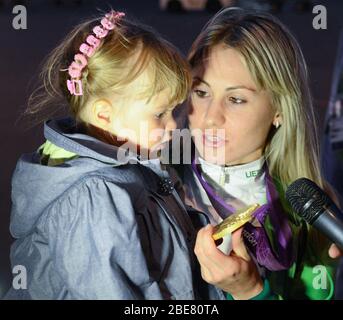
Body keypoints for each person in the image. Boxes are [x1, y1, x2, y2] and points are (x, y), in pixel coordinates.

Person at [5, 10, 223, 300]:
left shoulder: (133, 160)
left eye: (173, 111)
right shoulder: (94, 195)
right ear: (105, 115)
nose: (173, 126)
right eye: (160, 113)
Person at [176, 7, 342, 300]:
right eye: (201, 92)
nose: (210, 117)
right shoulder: (153, 184)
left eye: (236, 99)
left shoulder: (312, 209)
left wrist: (250, 293)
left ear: (279, 109)